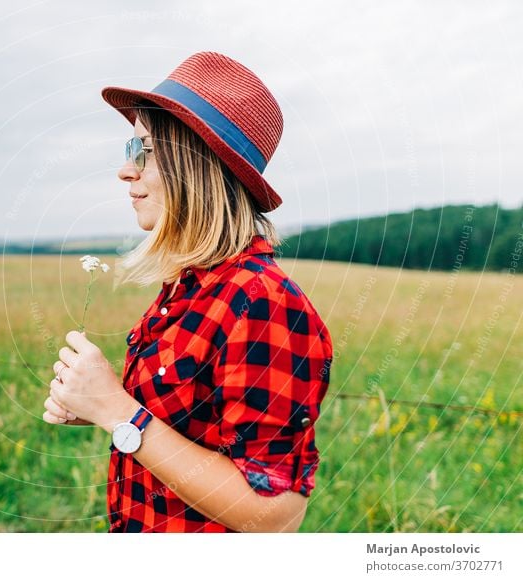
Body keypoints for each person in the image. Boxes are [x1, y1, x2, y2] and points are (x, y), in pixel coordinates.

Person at [42, 51, 333, 533]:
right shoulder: (189, 286)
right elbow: (183, 428)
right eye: (128, 149)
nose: (125, 170)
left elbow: (274, 515)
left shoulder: (260, 302)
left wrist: (120, 412)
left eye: (145, 151)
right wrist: (100, 404)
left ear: (197, 166)